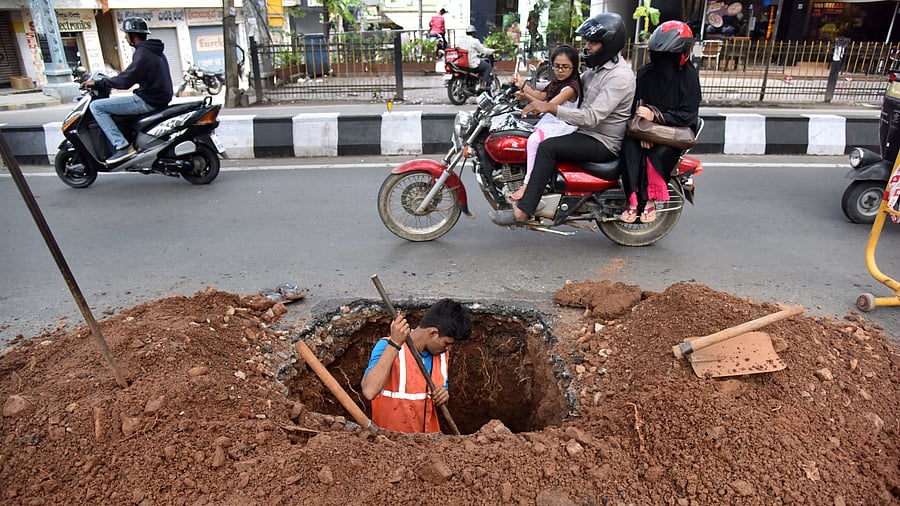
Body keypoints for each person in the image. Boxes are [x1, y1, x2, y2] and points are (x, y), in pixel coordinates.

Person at [490, 12, 635, 225]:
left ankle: (523, 210)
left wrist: (551, 108)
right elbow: (562, 86)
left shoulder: (619, 77)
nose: (587, 47)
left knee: (547, 147)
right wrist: (525, 86)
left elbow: (592, 117)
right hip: (584, 131)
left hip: (601, 141)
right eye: (588, 41)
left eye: (593, 42)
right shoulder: (595, 70)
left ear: (609, 44)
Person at [619, 21, 701, 223]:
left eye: (669, 57)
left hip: (673, 133)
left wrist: (655, 119)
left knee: (657, 155)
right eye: (659, 56)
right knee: (629, 147)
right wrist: (646, 130)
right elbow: (636, 105)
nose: (664, 63)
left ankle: (649, 200)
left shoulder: (689, 79)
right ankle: (632, 199)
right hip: (644, 129)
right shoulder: (646, 73)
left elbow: (687, 116)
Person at [361, 299, 472, 433]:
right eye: (446, 343)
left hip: (429, 442)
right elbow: (369, 391)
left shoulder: (442, 356)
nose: (449, 349)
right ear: (432, 333)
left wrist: (443, 397)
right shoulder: (387, 346)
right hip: (391, 441)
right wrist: (395, 344)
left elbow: (439, 405)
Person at [83, 17, 173, 164]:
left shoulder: (143, 53)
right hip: (159, 98)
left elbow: (125, 81)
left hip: (148, 100)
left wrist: (99, 83)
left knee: (96, 106)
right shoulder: (155, 51)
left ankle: (122, 146)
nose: (125, 37)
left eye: (126, 34)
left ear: (133, 35)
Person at [509, 44, 583, 202]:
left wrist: (526, 97)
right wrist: (522, 84)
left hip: (563, 123)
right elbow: (541, 96)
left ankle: (527, 185)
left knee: (533, 141)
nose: (560, 70)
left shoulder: (570, 88)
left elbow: (547, 106)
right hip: (553, 120)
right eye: (557, 66)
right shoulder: (558, 82)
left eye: (565, 67)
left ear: (574, 67)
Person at [456, 25, 496, 90]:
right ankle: (483, 84)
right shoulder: (475, 41)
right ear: (473, 33)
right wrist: (493, 51)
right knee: (488, 67)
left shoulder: (460, 41)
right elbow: (483, 50)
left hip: (462, 64)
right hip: (472, 63)